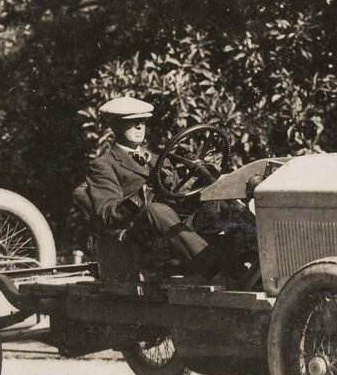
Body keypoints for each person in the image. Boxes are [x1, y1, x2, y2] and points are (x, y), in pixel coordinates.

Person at [83, 96, 236, 280]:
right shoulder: (104, 164)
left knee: (220, 200)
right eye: (132, 122)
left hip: (172, 227)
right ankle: (213, 266)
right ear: (115, 126)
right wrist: (143, 194)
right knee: (156, 210)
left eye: (142, 121)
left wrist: (200, 183)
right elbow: (107, 213)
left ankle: (253, 253)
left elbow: (179, 194)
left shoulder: (157, 158)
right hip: (141, 237)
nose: (140, 126)